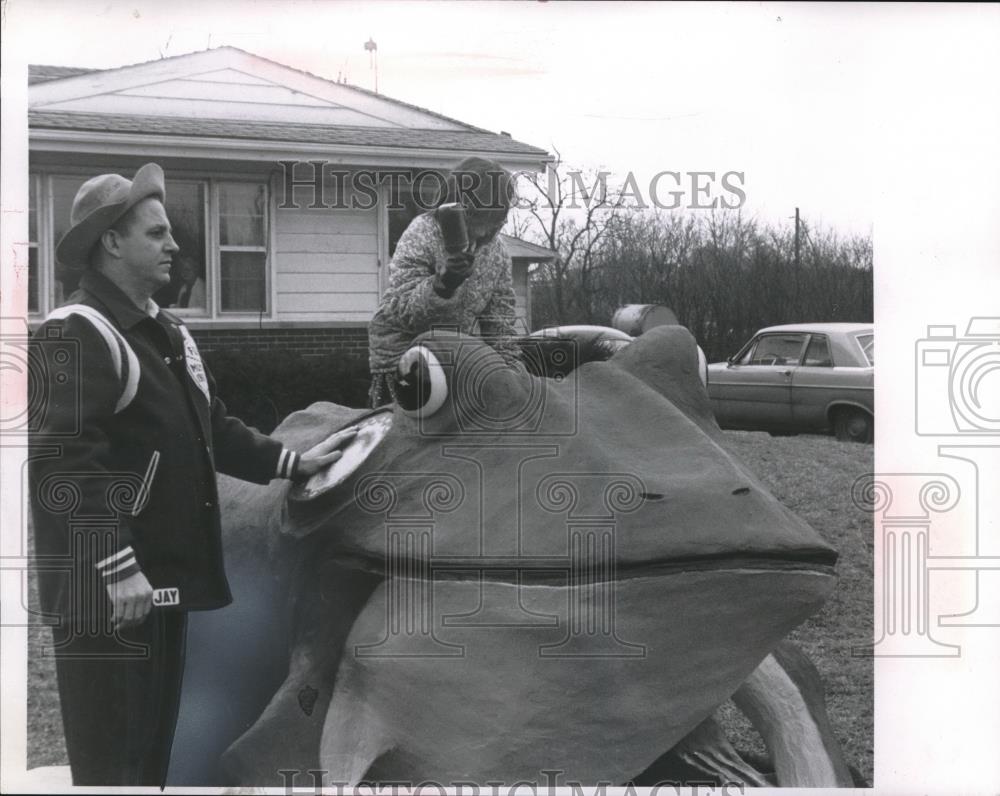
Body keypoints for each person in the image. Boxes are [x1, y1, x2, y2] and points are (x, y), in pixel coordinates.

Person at [28, 163, 354, 787]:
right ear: (110, 243)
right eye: (155, 233)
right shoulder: (76, 332)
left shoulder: (166, 332)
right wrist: (116, 568)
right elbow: (65, 467)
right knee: (111, 768)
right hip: (109, 594)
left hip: (161, 588)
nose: (175, 245)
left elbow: (212, 428)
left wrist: (290, 461)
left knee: (150, 762)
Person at [367, 156, 523, 406]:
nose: (483, 231)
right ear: (455, 205)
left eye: (493, 221)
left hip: (451, 353)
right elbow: (403, 310)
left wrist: (511, 375)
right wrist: (442, 287)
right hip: (403, 356)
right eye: (476, 218)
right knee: (408, 434)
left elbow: (499, 322)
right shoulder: (422, 233)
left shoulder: (497, 253)